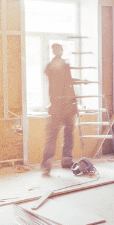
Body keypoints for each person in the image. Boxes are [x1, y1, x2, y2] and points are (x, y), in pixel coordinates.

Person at [41, 43, 77, 176]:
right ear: (53, 51)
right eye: (54, 49)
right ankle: (46, 166)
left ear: (62, 50)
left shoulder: (64, 65)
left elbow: (69, 82)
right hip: (56, 106)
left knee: (69, 134)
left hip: (68, 105)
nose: (57, 51)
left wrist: (73, 101)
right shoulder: (52, 66)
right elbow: (53, 75)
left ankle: (67, 160)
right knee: (52, 135)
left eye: (59, 49)